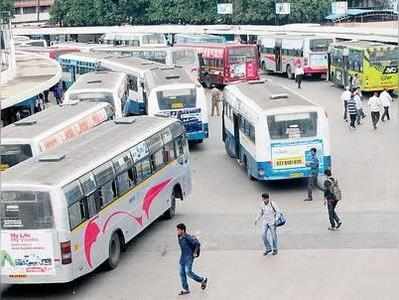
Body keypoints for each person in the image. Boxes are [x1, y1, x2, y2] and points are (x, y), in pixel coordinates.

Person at [176, 223, 207, 296]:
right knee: (181, 273)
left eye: (178, 230)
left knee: (188, 272)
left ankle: (202, 280)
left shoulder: (188, 237)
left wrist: (195, 252)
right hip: (182, 258)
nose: (177, 231)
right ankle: (186, 289)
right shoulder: (179, 236)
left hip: (189, 258)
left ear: (183, 230)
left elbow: (197, 244)